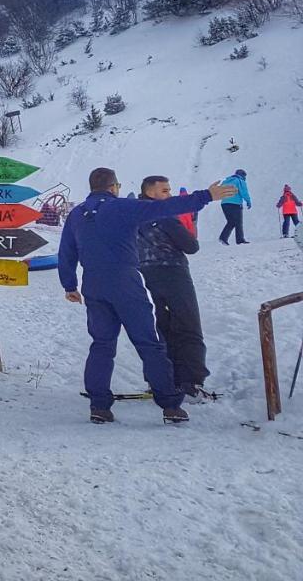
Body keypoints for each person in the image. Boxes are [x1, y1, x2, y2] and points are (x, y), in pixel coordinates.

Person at [58, 167, 232, 424]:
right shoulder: (121, 207)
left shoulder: (77, 214)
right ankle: (170, 404)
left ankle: (99, 406)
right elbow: (163, 208)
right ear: (113, 187)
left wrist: (69, 285)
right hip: (125, 281)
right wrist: (206, 195)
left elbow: (66, 252)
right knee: (149, 343)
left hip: (93, 284)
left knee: (102, 345)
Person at [137, 176, 210, 398]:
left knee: (160, 327)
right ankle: (190, 380)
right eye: (165, 191)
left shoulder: (133, 215)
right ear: (151, 193)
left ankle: (160, 379)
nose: (170, 195)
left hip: (145, 274)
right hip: (173, 272)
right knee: (187, 325)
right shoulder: (163, 215)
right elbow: (191, 246)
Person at [217, 169, 251, 245]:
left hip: (224, 203)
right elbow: (244, 192)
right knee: (238, 222)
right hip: (235, 204)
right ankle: (240, 240)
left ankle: (223, 238)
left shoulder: (226, 181)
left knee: (231, 222)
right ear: (242, 175)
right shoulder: (239, 181)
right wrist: (248, 201)